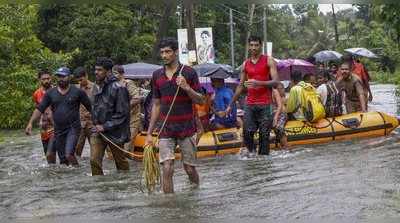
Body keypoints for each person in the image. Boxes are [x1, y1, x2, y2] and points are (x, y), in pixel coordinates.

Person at [145, 37, 205, 193]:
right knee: (167, 167)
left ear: (176, 52)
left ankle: (195, 192)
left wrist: (187, 87)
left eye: (168, 52)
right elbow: (156, 104)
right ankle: (169, 206)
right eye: (162, 52)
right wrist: (149, 133)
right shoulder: (156, 75)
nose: (164, 55)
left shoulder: (189, 73)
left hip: (187, 128)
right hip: (166, 129)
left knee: (189, 169)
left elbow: (200, 100)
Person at [25, 67, 92, 166]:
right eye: (59, 76)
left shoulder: (78, 92)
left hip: (73, 128)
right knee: (63, 161)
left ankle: (78, 173)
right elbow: (40, 108)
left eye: (63, 76)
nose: (61, 79)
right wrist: (30, 123)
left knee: (69, 154)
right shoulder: (50, 93)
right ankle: (68, 178)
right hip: (58, 130)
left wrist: (98, 122)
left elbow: (90, 107)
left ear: (69, 77)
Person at [226, 35, 279, 156]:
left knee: (264, 136)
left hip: (265, 104)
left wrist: (258, 83)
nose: (254, 48)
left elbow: (276, 82)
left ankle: (263, 163)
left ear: (261, 46)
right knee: (247, 134)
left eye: (256, 45)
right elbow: (240, 86)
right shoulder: (245, 64)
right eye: (251, 45)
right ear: (248, 46)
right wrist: (230, 105)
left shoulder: (269, 60)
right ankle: (252, 157)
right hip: (250, 103)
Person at [90, 57, 131, 176]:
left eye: (99, 70)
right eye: (95, 70)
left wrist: (105, 126)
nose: (96, 72)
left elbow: (122, 114)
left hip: (115, 132)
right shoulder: (97, 86)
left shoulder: (119, 88)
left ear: (108, 71)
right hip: (98, 130)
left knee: (120, 163)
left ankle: (125, 185)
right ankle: (100, 189)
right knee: (94, 160)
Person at [113, 65, 143, 152]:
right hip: (119, 121)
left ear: (122, 74)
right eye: (113, 74)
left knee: (127, 146)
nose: (114, 76)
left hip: (132, 120)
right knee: (116, 148)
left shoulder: (128, 83)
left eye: (116, 73)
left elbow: (137, 98)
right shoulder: (113, 85)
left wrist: (124, 108)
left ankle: (130, 161)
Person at [30, 70, 57, 164]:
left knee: (50, 154)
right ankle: (54, 174)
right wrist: (31, 123)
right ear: (39, 80)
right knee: (48, 156)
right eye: (44, 79)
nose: (46, 81)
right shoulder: (37, 94)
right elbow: (38, 110)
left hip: (56, 126)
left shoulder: (57, 91)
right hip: (44, 128)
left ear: (51, 78)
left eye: (48, 78)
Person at [74, 67, 95, 158]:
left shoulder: (95, 88)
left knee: (96, 150)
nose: (79, 82)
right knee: (76, 150)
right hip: (79, 124)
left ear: (86, 76)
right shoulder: (75, 89)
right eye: (78, 81)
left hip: (92, 123)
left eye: (81, 80)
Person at [272, 82, 288, 149]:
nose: (281, 90)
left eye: (282, 88)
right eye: (279, 89)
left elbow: (283, 110)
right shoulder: (273, 96)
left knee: (279, 128)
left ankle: (285, 146)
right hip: (275, 115)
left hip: (282, 115)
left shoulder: (285, 98)